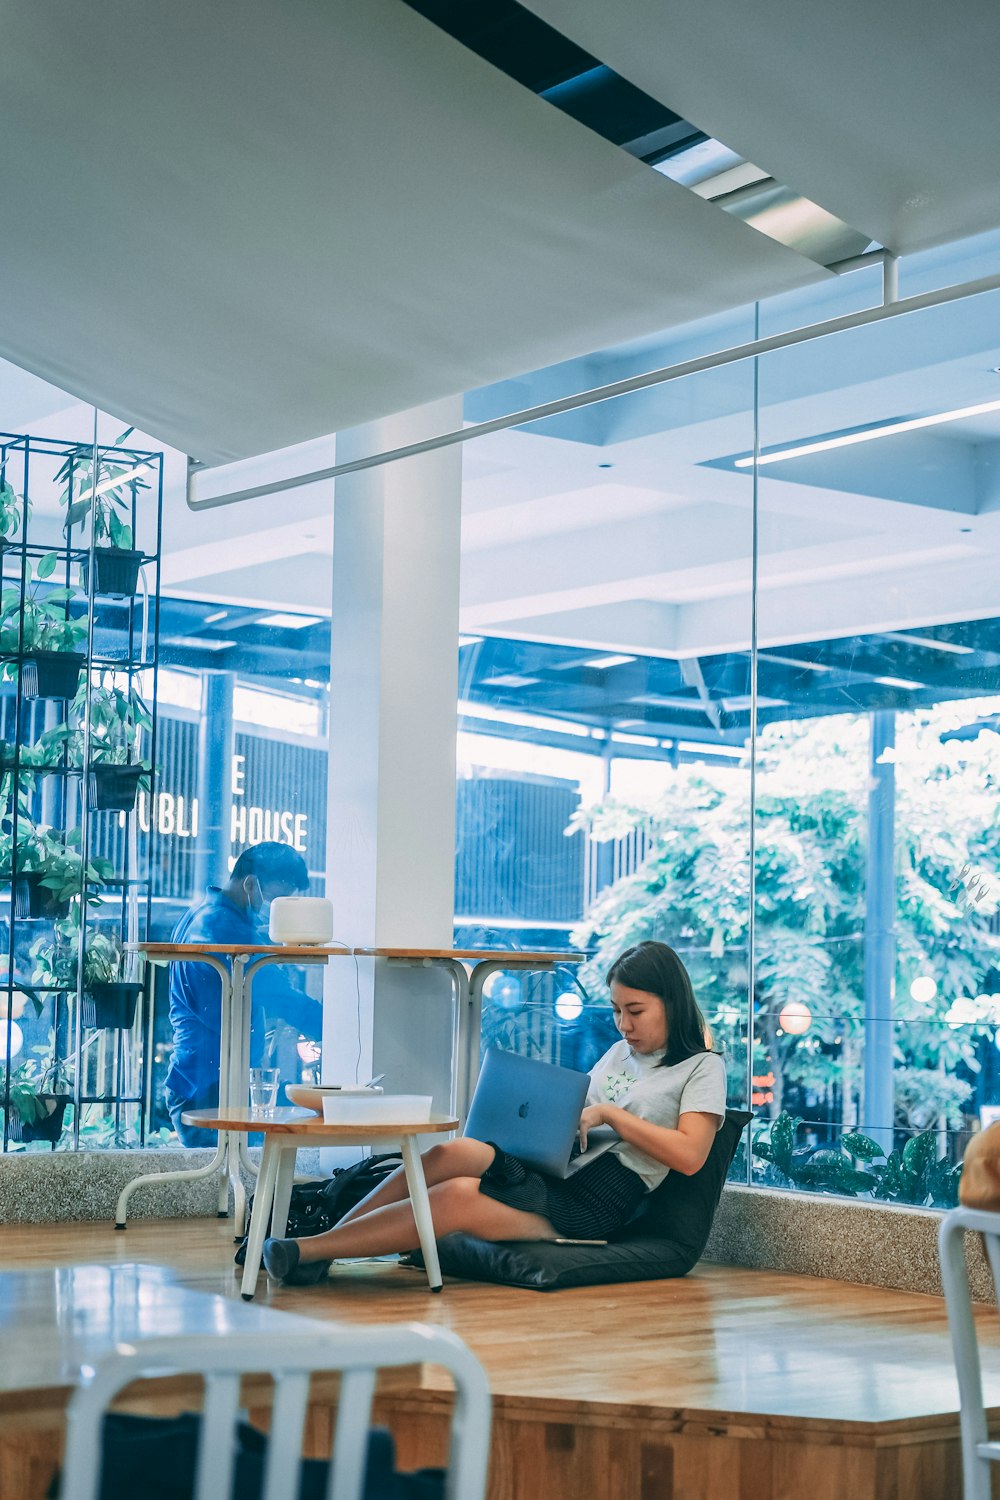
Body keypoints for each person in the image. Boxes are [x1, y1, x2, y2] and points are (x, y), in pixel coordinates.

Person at [262, 938, 727, 1286]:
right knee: (455, 1152)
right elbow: (581, 1107)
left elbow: (690, 1156)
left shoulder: (702, 1068)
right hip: (560, 1168)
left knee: (458, 1195)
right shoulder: (617, 1053)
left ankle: (309, 1250)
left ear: (671, 1002)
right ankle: (334, 1240)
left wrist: (611, 1115)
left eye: (636, 1011)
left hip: (598, 1200)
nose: (623, 1024)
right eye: (616, 1010)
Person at [163, 842, 323, 1145]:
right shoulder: (223, 927)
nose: (273, 913)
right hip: (211, 1089)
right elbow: (281, 996)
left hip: (199, 1081)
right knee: (238, 1182)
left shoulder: (202, 912)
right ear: (251, 885)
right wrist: (334, 1029)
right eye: (275, 901)